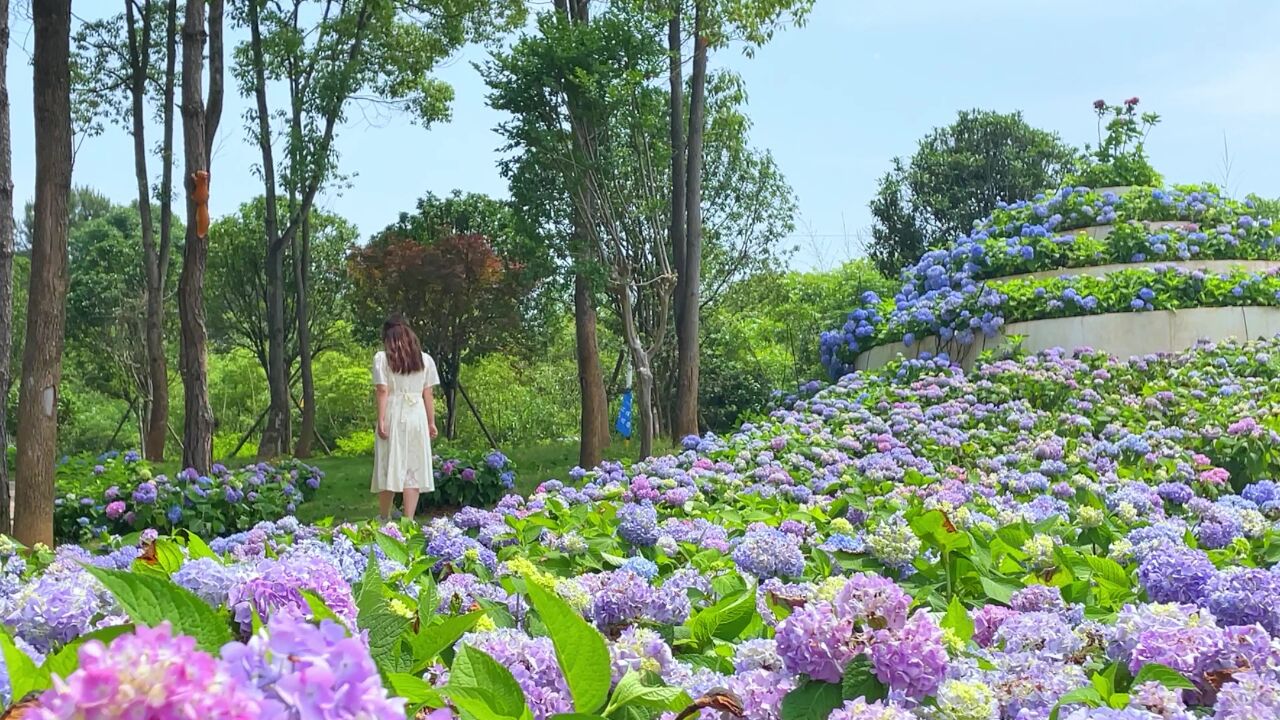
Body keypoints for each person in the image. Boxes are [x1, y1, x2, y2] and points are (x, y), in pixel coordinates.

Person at [371, 316, 440, 522]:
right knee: (413, 465)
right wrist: (431, 421)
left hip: (394, 410)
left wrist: (381, 419)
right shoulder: (425, 359)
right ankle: (408, 520)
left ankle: (384, 517)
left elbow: (382, 390)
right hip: (416, 413)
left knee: (388, 463)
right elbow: (428, 393)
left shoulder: (382, 358)